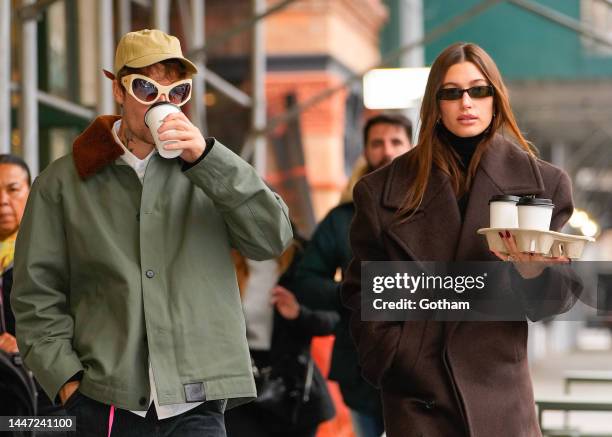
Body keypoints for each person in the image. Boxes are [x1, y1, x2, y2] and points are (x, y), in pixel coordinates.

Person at [12, 29, 292, 437]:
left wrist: (210, 160)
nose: (163, 101)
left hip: (197, 398)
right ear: (119, 91)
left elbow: (272, 239)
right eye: (146, 87)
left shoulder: (209, 167)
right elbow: (36, 293)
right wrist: (68, 382)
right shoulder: (62, 182)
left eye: (178, 92)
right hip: (104, 400)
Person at [341, 42, 578, 437]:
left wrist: (532, 274)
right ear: (435, 103)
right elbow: (361, 291)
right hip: (418, 396)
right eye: (451, 92)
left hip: (500, 396)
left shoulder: (545, 184)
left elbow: (555, 301)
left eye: (478, 89)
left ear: (495, 97)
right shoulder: (381, 190)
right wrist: (394, 356)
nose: (466, 102)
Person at [294, 114, 413, 437]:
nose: (387, 151)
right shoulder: (342, 219)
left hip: (423, 367)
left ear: (412, 147)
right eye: (377, 143)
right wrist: (356, 295)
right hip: (362, 367)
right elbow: (305, 280)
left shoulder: (431, 211)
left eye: (396, 142)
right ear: (365, 151)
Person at [225, 233, 337, 437]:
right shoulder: (220, 258)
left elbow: (332, 319)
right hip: (241, 385)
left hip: (291, 386)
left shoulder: (302, 258)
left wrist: (298, 313)